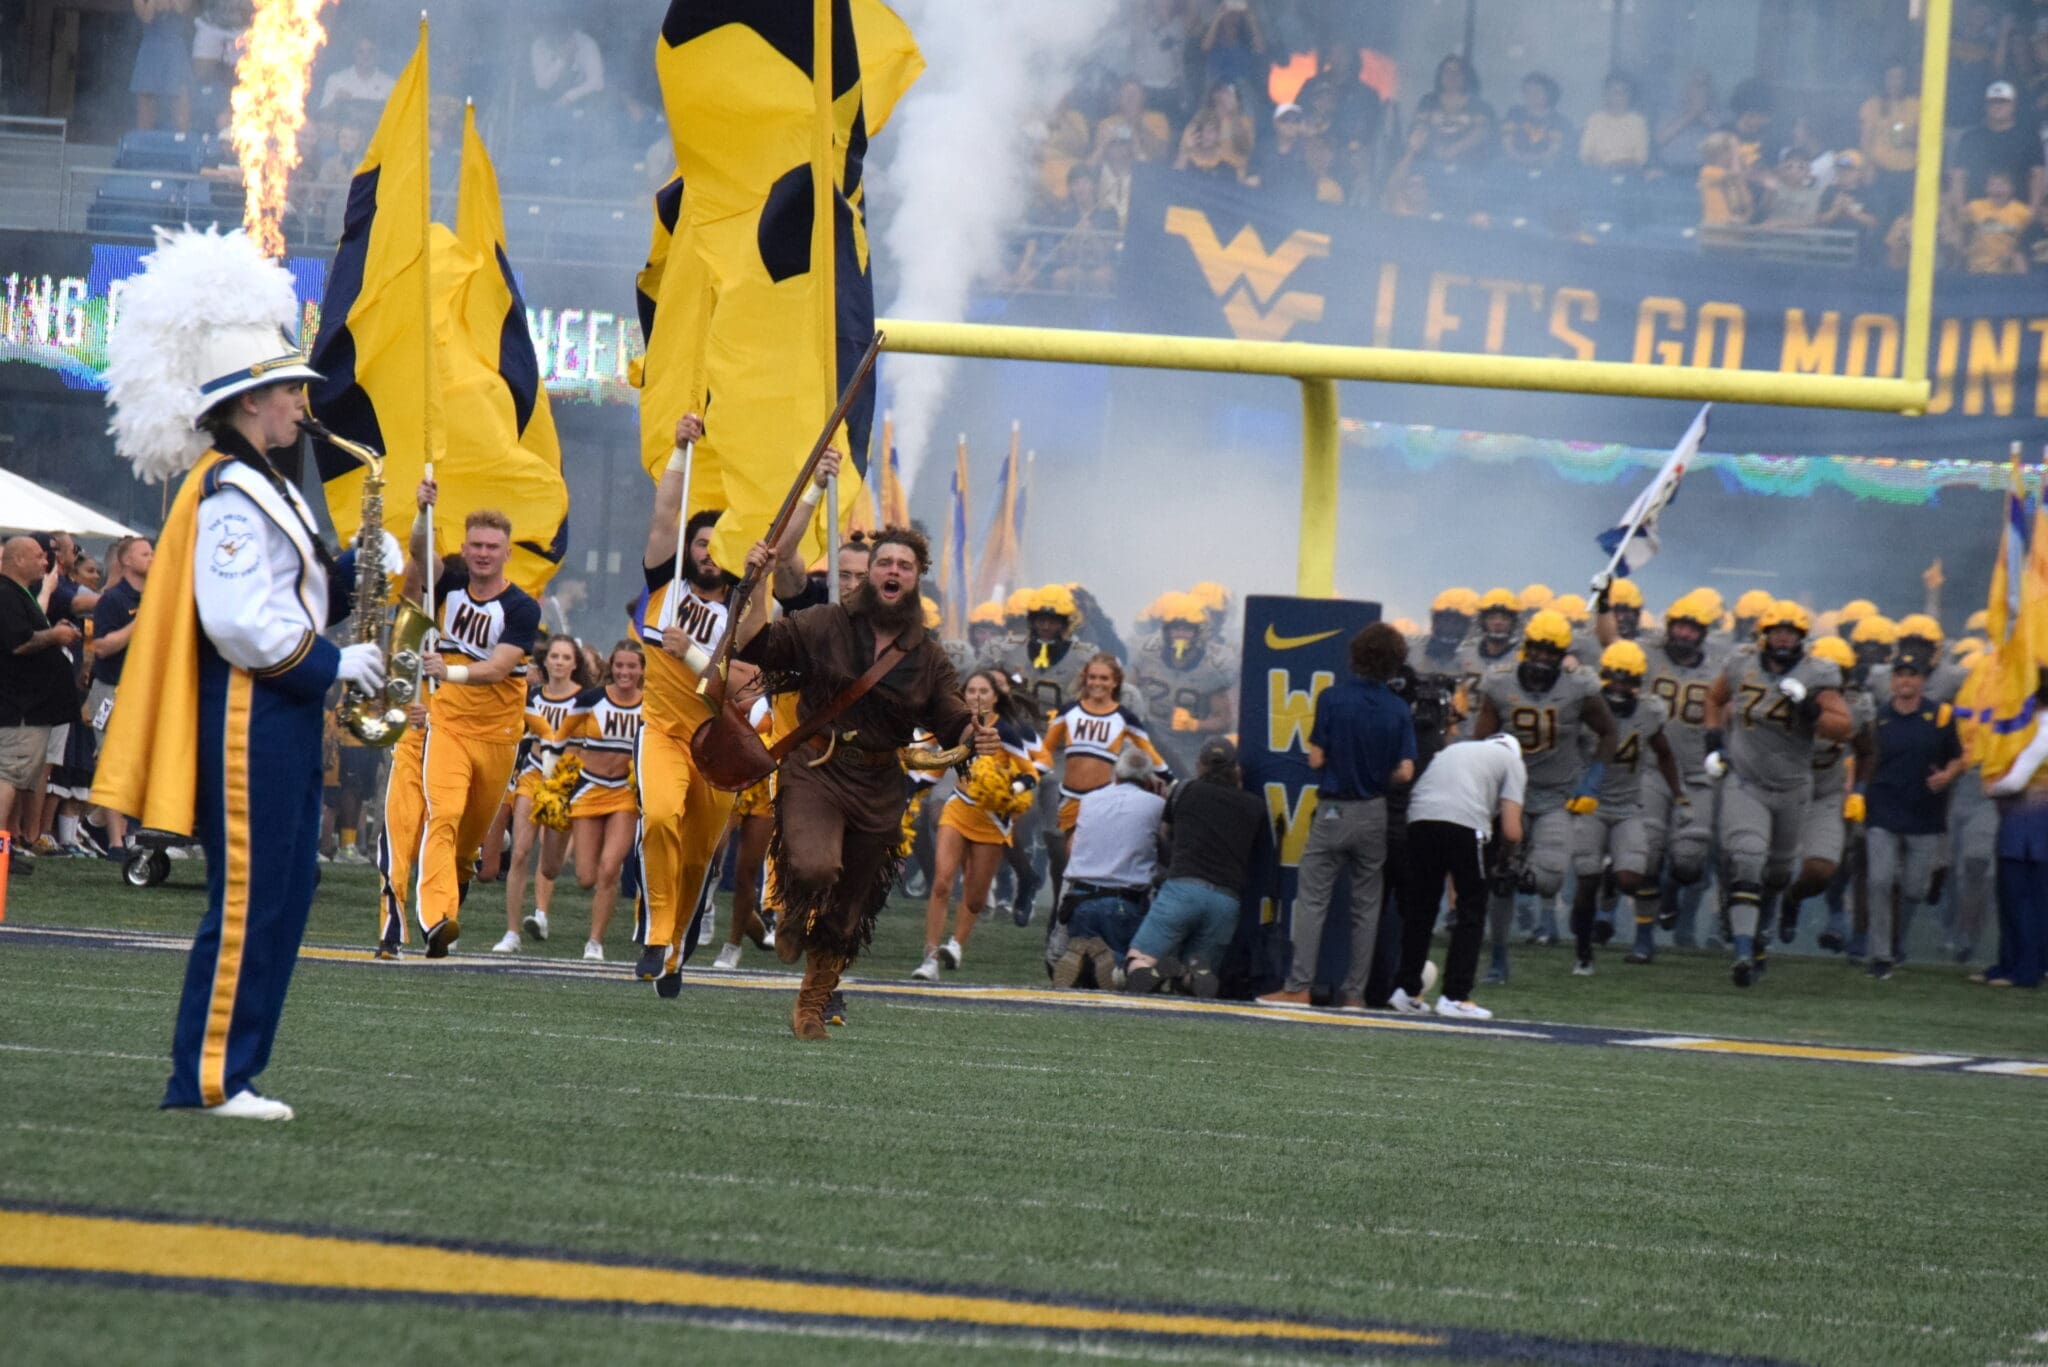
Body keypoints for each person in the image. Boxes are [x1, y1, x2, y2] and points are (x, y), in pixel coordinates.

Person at [96, 227, 383, 1120]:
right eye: (292, 389)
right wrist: (339, 660)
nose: (304, 402)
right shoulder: (231, 489)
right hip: (252, 712)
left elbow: (287, 597)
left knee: (287, 894)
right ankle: (211, 1076)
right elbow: (237, 621)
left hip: (281, 712)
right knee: (253, 895)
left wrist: (367, 569)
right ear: (255, 401)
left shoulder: (268, 484)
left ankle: (235, 1067)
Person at [733, 526, 999, 1040]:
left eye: (903, 564)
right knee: (815, 866)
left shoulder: (927, 655)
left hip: (880, 785)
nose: (893, 571)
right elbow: (759, 644)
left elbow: (950, 714)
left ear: (917, 577)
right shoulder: (825, 623)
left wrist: (972, 733)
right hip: (816, 769)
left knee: (851, 905)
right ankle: (797, 902)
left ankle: (812, 1004)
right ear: (870, 573)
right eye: (885, 563)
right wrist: (755, 585)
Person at [377, 491, 538, 961]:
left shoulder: (522, 608)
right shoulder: (443, 585)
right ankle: (428, 921)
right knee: (437, 817)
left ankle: (446, 914)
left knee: (466, 847)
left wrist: (449, 670)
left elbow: (497, 667)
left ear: (507, 552)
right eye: (476, 545)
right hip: (441, 724)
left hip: (498, 737)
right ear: (465, 550)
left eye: (492, 546)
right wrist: (424, 511)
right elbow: (418, 557)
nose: (483, 553)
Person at [630, 413, 750, 994]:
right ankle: (655, 931)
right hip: (661, 731)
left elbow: (740, 686)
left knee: (700, 858)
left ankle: (675, 949)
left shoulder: (744, 609)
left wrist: (693, 654)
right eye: (701, 542)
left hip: (717, 744)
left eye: (716, 544)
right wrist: (680, 450)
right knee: (658, 818)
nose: (707, 552)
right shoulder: (664, 583)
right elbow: (665, 514)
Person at [1256, 623, 1416, 1010]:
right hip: (1375, 811)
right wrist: (1376, 775)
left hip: (1333, 808)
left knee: (1313, 901)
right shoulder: (1398, 709)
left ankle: (1298, 987)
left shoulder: (1334, 698)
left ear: (1356, 656)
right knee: (1365, 906)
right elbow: (1406, 771)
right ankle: (1356, 995)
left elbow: (1316, 758)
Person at [1703, 601, 1854, 988]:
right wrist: (1714, 743)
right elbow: (1714, 698)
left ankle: (1759, 937)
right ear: (1764, 635)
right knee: (1748, 857)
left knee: (1778, 873)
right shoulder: (1741, 664)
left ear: (1802, 638)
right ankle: (1741, 949)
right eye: (1778, 631)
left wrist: (1808, 710)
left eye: (1791, 633)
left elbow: (1843, 727)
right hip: (1746, 780)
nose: (1784, 638)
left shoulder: (1817, 673)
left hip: (1792, 787)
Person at [1472, 610, 1617, 983]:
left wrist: (1593, 779)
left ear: (1562, 656)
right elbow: (1480, 742)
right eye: (1536, 652)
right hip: (1510, 794)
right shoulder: (1499, 684)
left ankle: (1522, 877)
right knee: (1501, 882)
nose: (1541, 661)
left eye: (1551, 654)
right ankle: (1499, 957)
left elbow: (1609, 732)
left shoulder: (1578, 686)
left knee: (1550, 877)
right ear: (1525, 649)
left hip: (1558, 794)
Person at [913, 669, 1041, 981]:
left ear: (996, 697)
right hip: (959, 808)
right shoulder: (956, 727)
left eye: (984, 691)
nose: (977, 696)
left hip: (992, 818)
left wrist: (1012, 791)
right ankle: (929, 958)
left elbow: (1031, 774)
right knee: (942, 882)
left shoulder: (1006, 732)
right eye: (971, 691)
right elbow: (938, 766)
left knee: (974, 896)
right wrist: (907, 790)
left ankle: (955, 945)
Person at [1567, 641, 1685, 974]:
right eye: (1614, 679)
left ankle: (1612, 876)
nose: (1619, 688)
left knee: (1632, 877)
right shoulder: (1585, 708)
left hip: (1627, 805)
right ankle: (1583, 952)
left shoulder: (1649, 711)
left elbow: (1663, 752)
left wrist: (1679, 793)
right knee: (1585, 883)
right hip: (1589, 804)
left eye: (1626, 680)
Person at [1392, 733, 1526, 1020]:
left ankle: (1405, 989)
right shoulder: (1511, 762)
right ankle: (1455, 995)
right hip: (1464, 823)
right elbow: (1512, 831)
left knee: (1421, 909)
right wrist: (1505, 858)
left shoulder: (1454, 750)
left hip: (1419, 820)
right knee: (1471, 911)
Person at [1126, 736, 1266, 997]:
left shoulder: (1184, 791)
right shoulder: (1255, 806)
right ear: (1236, 768)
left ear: (1200, 765)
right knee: (1196, 978)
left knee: (1137, 962)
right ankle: (1193, 974)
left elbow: (1165, 834)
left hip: (1183, 889)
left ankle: (1150, 973)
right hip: (1226, 901)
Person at [1860, 649, 1965, 977]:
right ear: (1892, 681)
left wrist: (1947, 776)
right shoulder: (1878, 718)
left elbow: (1959, 757)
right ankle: (1879, 955)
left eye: (1912, 674)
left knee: (1914, 889)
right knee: (1879, 881)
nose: (1905, 680)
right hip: (1883, 809)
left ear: (1922, 680)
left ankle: (1896, 941)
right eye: (1900, 674)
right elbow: (1863, 759)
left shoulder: (1942, 717)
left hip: (1924, 813)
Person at [1038, 654, 1171, 913]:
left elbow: (1150, 753)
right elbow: (1045, 751)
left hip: (1103, 800)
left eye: (1104, 678)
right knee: (1072, 861)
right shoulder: (1069, 711)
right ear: (1085, 679)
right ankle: (1065, 919)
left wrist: (1172, 782)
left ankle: (1080, 914)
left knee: (1084, 859)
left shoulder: (1125, 717)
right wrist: (1026, 777)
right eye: (1092, 677)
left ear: (1115, 682)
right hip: (1071, 799)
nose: (1097, 683)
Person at [491, 634, 587, 953]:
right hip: (532, 775)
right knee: (519, 852)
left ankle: (542, 913)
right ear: (546, 661)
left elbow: (584, 748)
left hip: (564, 781)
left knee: (550, 861)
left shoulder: (586, 700)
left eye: (566, 657)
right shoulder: (531, 696)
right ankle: (512, 933)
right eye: (554, 656)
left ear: (575, 664)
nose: (559, 662)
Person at [1051, 746, 1167, 991]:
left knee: (1084, 986)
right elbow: (1166, 849)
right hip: (1124, 903)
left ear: (1116, 773)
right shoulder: (1156, 805)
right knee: (1132, 973)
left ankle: (1084, 960)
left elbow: (1071, 849)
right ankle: (1115, 964)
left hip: (1079, 900)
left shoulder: (1088, 800)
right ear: (1148, 779)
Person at [0, 536, 82, 873]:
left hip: (29, 708)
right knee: (7, 775)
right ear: (17, 560)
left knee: (16, 778)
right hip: (19, 708)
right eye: (37, 556)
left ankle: (8, 844)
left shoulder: (20, 595)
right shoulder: (6, 594)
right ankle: (1, 847)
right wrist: (54, 636)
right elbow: (18, 643)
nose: (44, 562)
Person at [562, 641, 644, 960]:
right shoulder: (590, 700)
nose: (625, 672)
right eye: (620, 666)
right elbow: (565, 740)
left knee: (610, 869)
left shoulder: (650, 706)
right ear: (612, 667)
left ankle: (595, 941)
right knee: (586, 876)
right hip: (589, 788)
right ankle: (595, 902)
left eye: (632, 666)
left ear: (641, 671)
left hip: (624, 793)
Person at [87, 534, 152, 857]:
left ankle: (96, 819)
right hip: (112, 688)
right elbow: (101, 646)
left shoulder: (157, 596)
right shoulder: (112, 600)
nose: (152, 558)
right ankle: (116, 841)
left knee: (140, 763)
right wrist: (137, 624)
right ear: (126, 561)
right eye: (144, 553)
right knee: (114, 759)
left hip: (144, 691)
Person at [1129, 591, 1236, 777]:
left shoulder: (1211, 669)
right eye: (1175, 628)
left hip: (1187, 752)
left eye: (1187, 629)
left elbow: (1224, 720)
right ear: (1166, 630)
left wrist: (1195, 724)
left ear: (1199, 632)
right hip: (1148, 743)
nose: (1180, 634)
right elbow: (1127, 694)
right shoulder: (1146, 656)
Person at [1950, 81, 2046, 207]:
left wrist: (2032, 213)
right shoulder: (1970, 138)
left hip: (2019, 215)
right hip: (1976, 215)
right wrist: (1961, 211)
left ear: (2014, 105)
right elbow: (1959, 177)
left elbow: (2038, 176)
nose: (1998, 106)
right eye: (1993, 102)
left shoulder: (2029, 137)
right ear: (1985, 105)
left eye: (2004, 102)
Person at [1858, 62, 1921, 222]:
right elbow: (1865, 140)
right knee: (1880, 217)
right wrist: (1868, 167)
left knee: (1904, 218)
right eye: (1891, 77)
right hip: (1880, 171)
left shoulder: (1917, 105)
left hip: (1908, 172)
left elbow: (1926, 141)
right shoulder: (1872, 104)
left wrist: (1908, 138)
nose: (1895, 82)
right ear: (1884, 80)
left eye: (1900, 77)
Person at [1410, 53, 1494, 170]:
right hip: (1430, 164)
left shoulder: (1479, 106)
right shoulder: (1428, 101)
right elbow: (1419, 128)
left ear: (1466, 77)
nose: (1452, 76)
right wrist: (1435, 148)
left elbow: (1480, 133)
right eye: (1447, 72)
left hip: (1469, 168)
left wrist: (1453, 150)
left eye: (1457, 72)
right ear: (1440, 76)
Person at [131, 0, 194, 133]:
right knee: (146, 104)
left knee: (180, 102)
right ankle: (144, 146)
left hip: (175, 49)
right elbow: (146, 18)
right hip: (151, 49)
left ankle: (182, 144)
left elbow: (181, 8)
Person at [1655, 68, 1723, 172]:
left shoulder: (1721, 113)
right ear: (1687, 88)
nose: (1700, 89)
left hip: (1708, 173)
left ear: (1710, 89)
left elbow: (1728, 142)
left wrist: (1703, 113)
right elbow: (1660, 139)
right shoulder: (1670, 111)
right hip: (1670, 171)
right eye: (1696, 84)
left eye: (1704, 84)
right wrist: (1692, 113)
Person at [1964, 170, 2032, 271]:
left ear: (2012, 188)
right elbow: (1959, 228)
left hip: (2008, 270)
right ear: (1986, 189)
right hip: (1977, 269)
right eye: (1992, 184)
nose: (1997, 188)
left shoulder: (2023, 212)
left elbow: (2027, 240)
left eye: (2002, 184)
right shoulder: (1974, 207)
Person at [1579, 72, 1649, 170]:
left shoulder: (1638, 122)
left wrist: (1620, 165)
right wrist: (1596, 163)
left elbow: (1641, 158)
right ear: (1607, 94)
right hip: (1598, 172)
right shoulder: (1595, 119)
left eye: (1624, 92)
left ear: (1631, 95)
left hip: (1627, 172)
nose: (1620, 96)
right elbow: (1585, 153)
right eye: (1615, 92)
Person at [1501, 72, 1570, 171]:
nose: (1532, 96)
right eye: (1527, 92)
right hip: (1514, 165)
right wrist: (1520, 159)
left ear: (1549, 94)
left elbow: (1553, 152)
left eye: (1537, 91)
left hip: (1547, 168)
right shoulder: (1514, 114)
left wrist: (1534, 161)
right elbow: (1507, 145)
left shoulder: (1559, 121)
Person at [319, 37, 395, 111]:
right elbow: (322, 117)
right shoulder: (336, 81)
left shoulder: (390, 84)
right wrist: (336, 103)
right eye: (360, 51)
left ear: (378, 53)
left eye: (371, 51)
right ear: (353, 53)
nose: (366, 56)